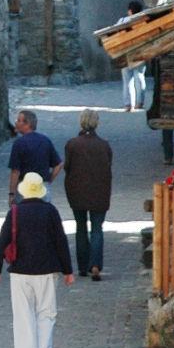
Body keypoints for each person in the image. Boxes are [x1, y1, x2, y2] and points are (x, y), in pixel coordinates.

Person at [0, 173, 73, 348]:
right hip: (47, 269)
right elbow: (61, 241)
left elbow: (2, 241)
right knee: (47, 312)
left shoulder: (15, 212)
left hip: (20, 270)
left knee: (23, 315)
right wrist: (68, 270)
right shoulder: (50, 211)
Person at [63, 108, 114, 281]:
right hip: (99, 192)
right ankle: (95, 265)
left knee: (81, 227)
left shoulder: (72, 144)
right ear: (96, 123)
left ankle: (83, 266)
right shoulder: (104, 145)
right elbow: (109, 165)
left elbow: (67, 167)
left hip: (77, 192)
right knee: (97, 229)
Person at [7, 108, 61, 196]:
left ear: (27, 124)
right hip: (42, 187)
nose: (16, 122)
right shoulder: (45, 140)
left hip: (24, 188)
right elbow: (58, 164)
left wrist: (12, 193)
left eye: (18, 120)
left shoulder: (19, 143)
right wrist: (49, 180)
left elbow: (15, 171)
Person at [121, 1, 152, 112]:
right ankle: (140, 103)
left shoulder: (123, 21)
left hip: (125, 53)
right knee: (139, 78)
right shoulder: (144, 21)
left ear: (130, 11)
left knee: (127, 80)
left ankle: (128, 104)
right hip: (140, 52)